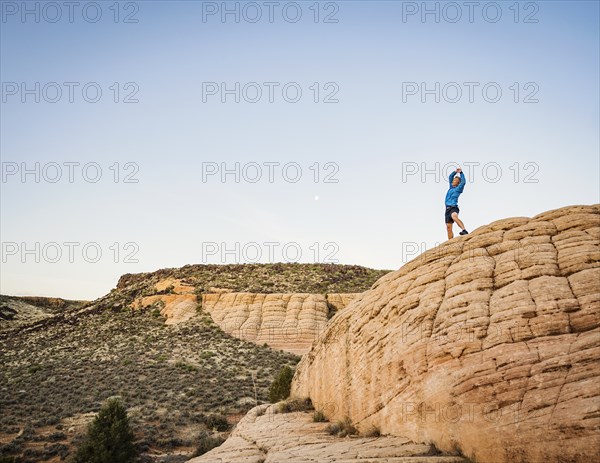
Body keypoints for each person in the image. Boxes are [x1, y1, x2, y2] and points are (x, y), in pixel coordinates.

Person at [445, 167, 468, 239]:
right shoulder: (451, 187)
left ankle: (464, 230)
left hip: (453, 207)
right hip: (447, 209)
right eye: (454, 179)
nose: (454, 180)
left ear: (458, 183)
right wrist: (455, 171)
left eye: (456, 180)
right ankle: (450, 242)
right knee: (448, 228)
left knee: (454, 216)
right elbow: (450, 177)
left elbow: (463, 182)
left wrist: (461, 173)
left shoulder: (458, 189)